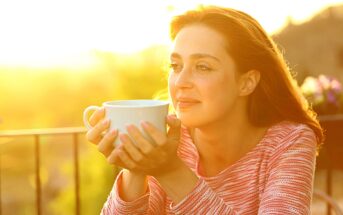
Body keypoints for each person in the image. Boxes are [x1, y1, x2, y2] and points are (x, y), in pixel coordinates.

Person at [86, 5, 323, 214]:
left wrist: (170, 171)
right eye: (175, 65)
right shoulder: (169, 141)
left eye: (203, 67)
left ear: (246, 82)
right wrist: (135, 168)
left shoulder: (290, 141)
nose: (180, 82)